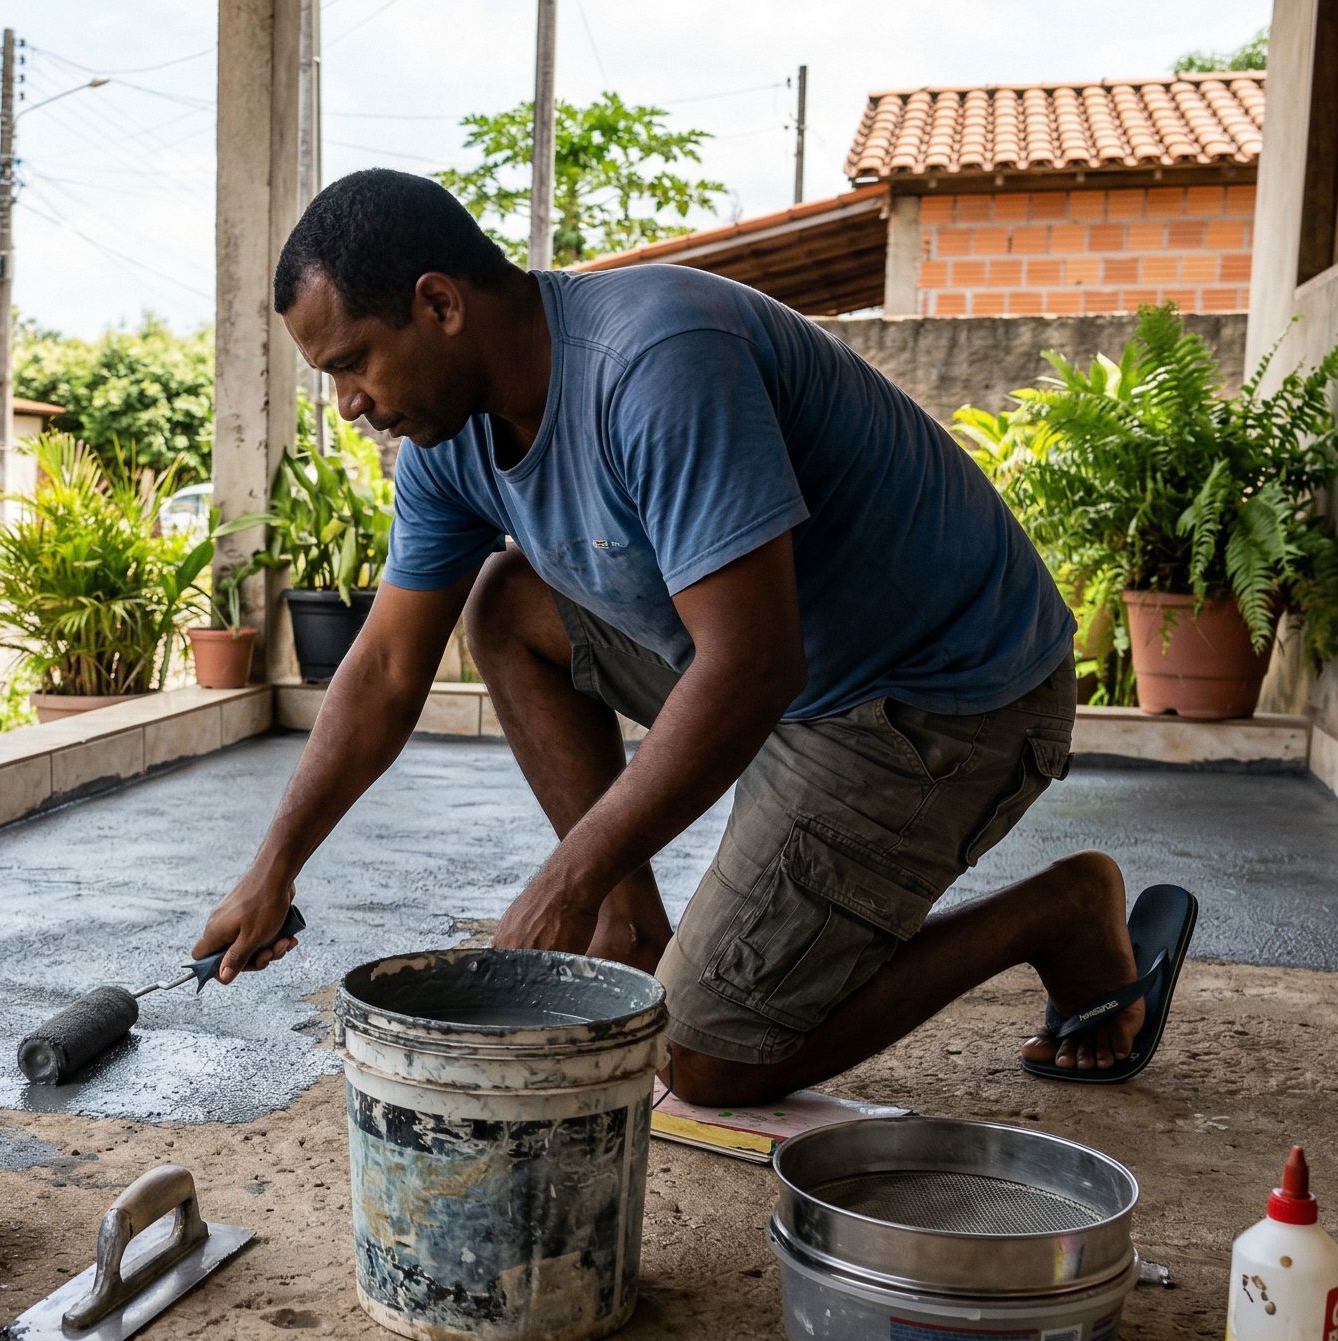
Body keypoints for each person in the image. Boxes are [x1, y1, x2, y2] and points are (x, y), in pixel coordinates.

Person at [194, 170, 1197, 1104]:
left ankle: (1055, 913)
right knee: (505, 605)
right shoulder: (448, 442)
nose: (351, 405)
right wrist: (274, 864)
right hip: (778, 668)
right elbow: (381, 670)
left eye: (352, 364)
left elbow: (753, 667)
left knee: (703, 1061)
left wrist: (563, 880)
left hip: (937, 696)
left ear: (440, 304)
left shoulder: (655, 364)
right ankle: (631, 928)